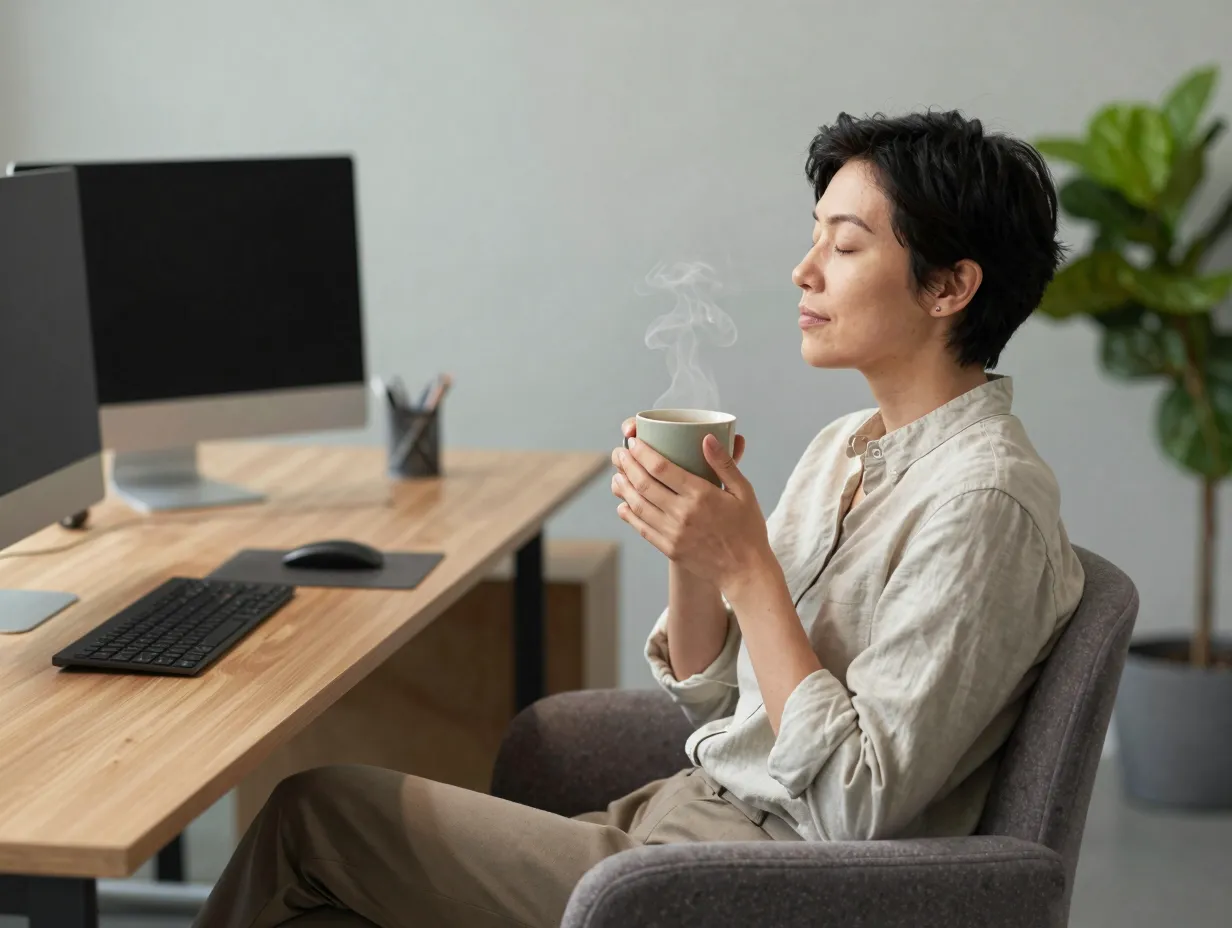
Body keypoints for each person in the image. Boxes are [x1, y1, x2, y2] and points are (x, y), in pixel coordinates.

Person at [193, 109, 1084, 928]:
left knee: (316, 814)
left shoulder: (983, 504)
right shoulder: (848, 444)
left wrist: (747, 571)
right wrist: (690, 551)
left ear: (949, 288)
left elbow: (857, 804)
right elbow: (710, 693)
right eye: (813, 238)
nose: (803, 270)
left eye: (844, 247)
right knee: (334, 902)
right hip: (687, 816)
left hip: (756, 879)